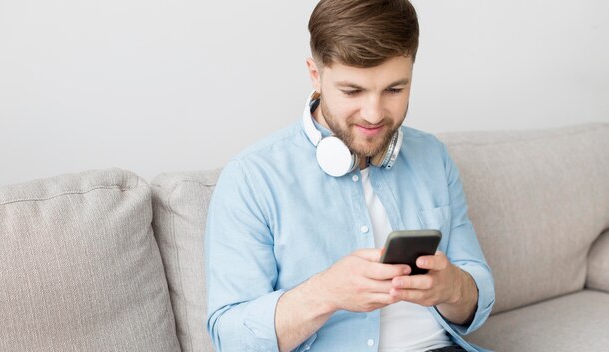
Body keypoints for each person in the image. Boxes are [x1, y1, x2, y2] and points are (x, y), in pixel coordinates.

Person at [205, 0, 495, 351]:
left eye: (394, 90)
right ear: (316, 75)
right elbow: (231, 339)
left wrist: (452, 286)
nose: (374, 114)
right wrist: (326, 292)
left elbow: (478, 298)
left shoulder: (432, 156)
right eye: (352, 91)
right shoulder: (252, 179)